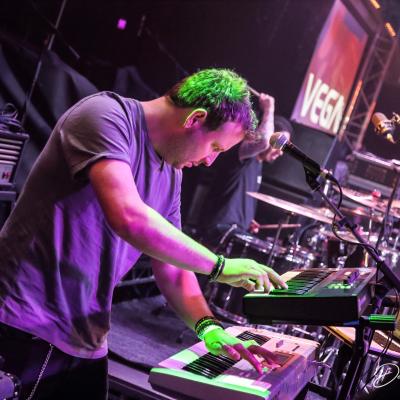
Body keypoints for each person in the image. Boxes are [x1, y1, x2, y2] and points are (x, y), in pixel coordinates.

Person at [0, 68, 287, 399]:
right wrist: (220, 266)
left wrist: (209, 328)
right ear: (195, 119)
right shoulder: (106, 116)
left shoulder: (172, 172)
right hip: (24, 322)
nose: (210, 161)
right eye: (215, 147)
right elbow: (129, 216)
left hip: (84, 337)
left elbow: (172, 267)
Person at [198, 92, 293, 251]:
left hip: (234, 233)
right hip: (218, 234)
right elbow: (263, 141)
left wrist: (247, 220)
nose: (281, 152)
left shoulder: (258, 165)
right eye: (279, 144)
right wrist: (269, 109)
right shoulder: (242, 155)